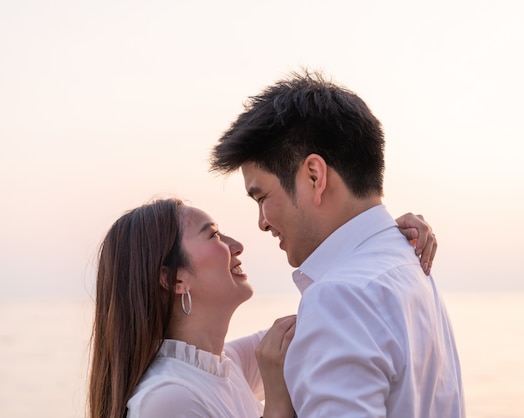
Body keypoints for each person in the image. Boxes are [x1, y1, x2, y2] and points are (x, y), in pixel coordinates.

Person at [209, 70, 465, 417]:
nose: (262, 222)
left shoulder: (340, 295)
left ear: (314, 176)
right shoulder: (411, 263)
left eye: (262, 196)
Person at [87, 197, 439, 418]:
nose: (236, 245)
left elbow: (334, 313)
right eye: (213, 236)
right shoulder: (165, 402)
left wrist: (380, 238)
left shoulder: (223, 366)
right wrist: (278, 403)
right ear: (175, 280)